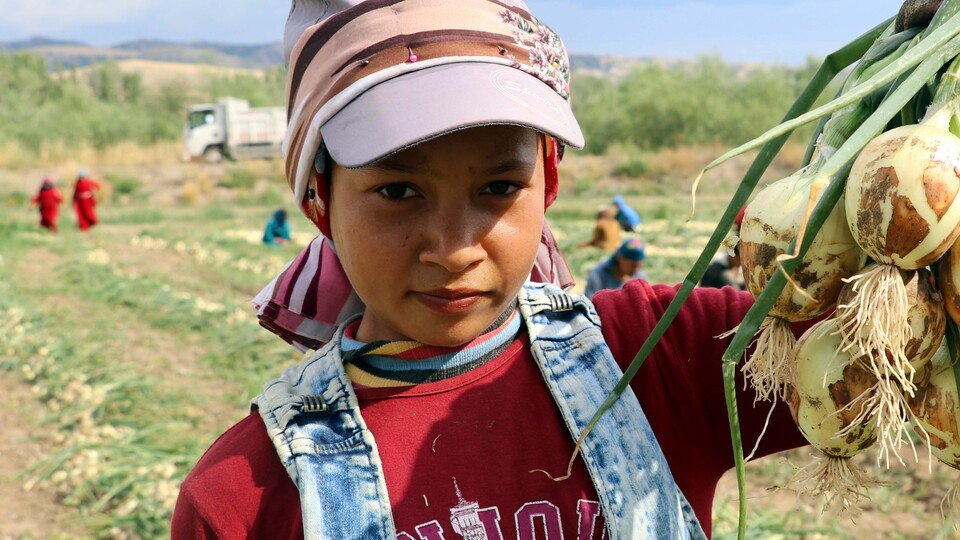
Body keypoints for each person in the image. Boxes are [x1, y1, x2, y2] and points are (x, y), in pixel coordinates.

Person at [172, 2, 810, 539]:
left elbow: (863, 342)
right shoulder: (242, 498)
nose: (454, 251)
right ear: (320, 200)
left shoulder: (659, 357)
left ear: (548, 181)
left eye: (500, 187)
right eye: (398, 191)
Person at [584, 237, 650, 298]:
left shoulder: (639, 276)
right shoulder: (598, 275)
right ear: (620, 258)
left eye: (639, 266)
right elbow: (590, 302)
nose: (636, 270)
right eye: (633, 265)